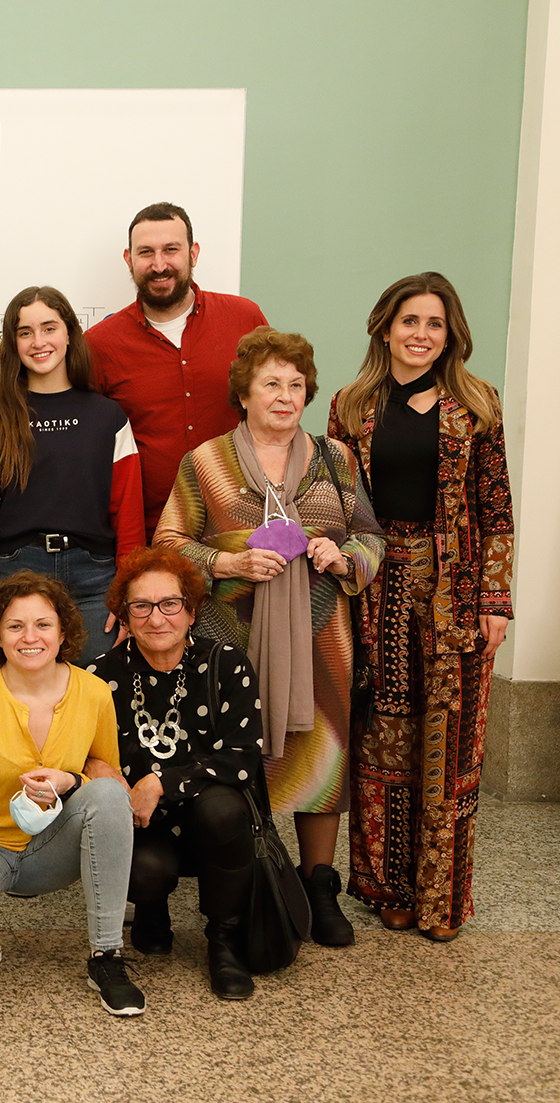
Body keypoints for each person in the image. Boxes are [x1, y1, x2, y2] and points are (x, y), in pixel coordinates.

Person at [154, 327, 383, 948]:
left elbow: (374, 539)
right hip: (231, 643)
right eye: (271, 384)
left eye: (296, 385)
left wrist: (343, 556)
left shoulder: (337, 459)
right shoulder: (205, 462)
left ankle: (319, 885)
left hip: (321, 640)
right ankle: (239, 888)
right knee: (232, 760)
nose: (285, 396)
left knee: (324, 758)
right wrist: (230, 563)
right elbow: (169, 546)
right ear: (244, 393)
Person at [328, 272, 514, 942]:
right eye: (410, 321)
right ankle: (389, 889)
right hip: (377, 591)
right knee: (384, 742)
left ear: (451, 334)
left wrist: (496, 599)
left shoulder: (477, 405)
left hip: (456, 597)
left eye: (434, 324)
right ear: (385, 326)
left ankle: (442, 898)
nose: (421, 335)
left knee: (451, 746)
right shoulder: (352, 406)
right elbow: (339, 505)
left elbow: (496, 507)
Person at [0, 572, 143, 1016]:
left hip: (50, 845)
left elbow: (108, 775)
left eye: (43, 624)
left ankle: (107, 955)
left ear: (63, 631)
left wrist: (71, 780)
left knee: (107, 797)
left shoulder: (94, 692)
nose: (30, 637)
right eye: (15, 626)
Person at [87, 547, 265, 999]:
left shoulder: (227, 663)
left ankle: (224, 940)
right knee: (143, 871)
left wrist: (164, 782)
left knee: (223, 811)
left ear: (191, 611)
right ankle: (152, 908)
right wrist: (97, 766)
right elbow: (72, 750)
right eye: (141, 606)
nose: (156, 618)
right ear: (123, 615)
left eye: (170, 604)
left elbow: (243, 756)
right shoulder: (99, 676)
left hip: (212, 820)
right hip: (143, 825)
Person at [0, 285, 143, 665]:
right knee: (21, 703)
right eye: (25, 332)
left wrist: (128, 592)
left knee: (95, 699)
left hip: (96, 582)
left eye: (49, 328)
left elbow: (127, 514)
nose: (39, 342)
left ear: (69, 333)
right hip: (16, 575)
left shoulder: (108, 418)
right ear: (13, 344)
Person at [85, 202, 269, 535]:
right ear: (129, 260)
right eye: (146, 252)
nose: (159, 265)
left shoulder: (245, 319)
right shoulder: (100, 345)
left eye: (171, 250)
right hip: (152, 533)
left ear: (193, 253)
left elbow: (275, 406)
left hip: (245, 527)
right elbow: (89, 447)